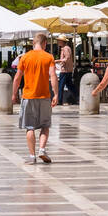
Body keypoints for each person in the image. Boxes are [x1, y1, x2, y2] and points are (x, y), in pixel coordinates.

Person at [13, 33, 58, 163]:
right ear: (44, 43)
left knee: (30, 127)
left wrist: (14, 94)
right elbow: (53, 76)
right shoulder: (49, 57)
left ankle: (32, 157)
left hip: (28, 96)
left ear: (34, 43)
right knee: (45, 125)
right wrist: (56, 94)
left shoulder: (25, 57)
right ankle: (42, 150)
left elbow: (17, 78)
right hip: (44, 96)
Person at [56, 37, 76, 105]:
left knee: (61, 85)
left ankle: (59, 100)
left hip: (65, 70)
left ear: (62, 41)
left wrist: (57, 61)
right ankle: (77, 97)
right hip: (68, 70)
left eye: (59, 41)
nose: (58, 42)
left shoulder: (65, 48)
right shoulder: (66, 48)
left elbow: (67, 58)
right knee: (69, 85)